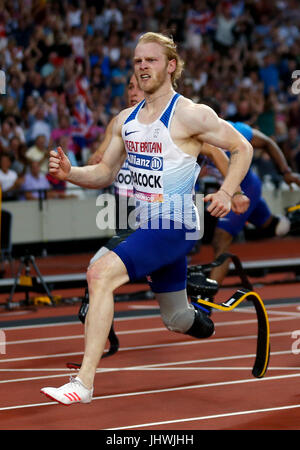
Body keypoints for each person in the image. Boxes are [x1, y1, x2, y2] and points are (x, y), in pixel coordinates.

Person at [41, 32, 253, 405]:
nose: (142, 66)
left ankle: (83, 383)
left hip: (175, 225)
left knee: (99, 272)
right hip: (147, 225)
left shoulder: (190, 114)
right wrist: (70, 173)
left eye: (151, 60)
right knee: (174, 319)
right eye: (138, 60)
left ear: (170, 66)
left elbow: (242, 147)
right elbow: (105, 172)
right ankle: (199, 317)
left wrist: (226, 191)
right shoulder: (127, 119)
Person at [199, 99, 300, 285]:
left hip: (245, 189)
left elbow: (268, 143)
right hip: (229, 189)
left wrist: (285, 172)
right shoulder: (190, 136)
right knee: (274, 228)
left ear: (217, 118)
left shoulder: (233, 130)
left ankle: (206, 304)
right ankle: (294, 219)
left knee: (221, 239)